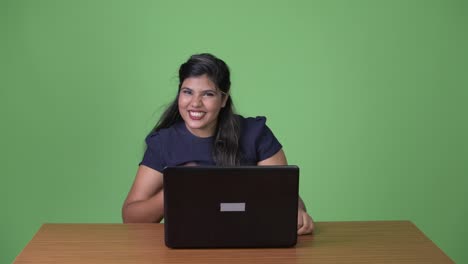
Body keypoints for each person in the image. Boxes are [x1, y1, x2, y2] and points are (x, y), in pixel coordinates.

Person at [122, 53, 314, 235]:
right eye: (187, 92)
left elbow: (287, 198)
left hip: (250, 239)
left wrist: (298, 214)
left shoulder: (255, 133)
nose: (195, 103)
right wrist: (176, 190)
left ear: (223, 99)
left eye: (208, 94)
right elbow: (131, 217)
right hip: (188, 244)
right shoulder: (163, 142)